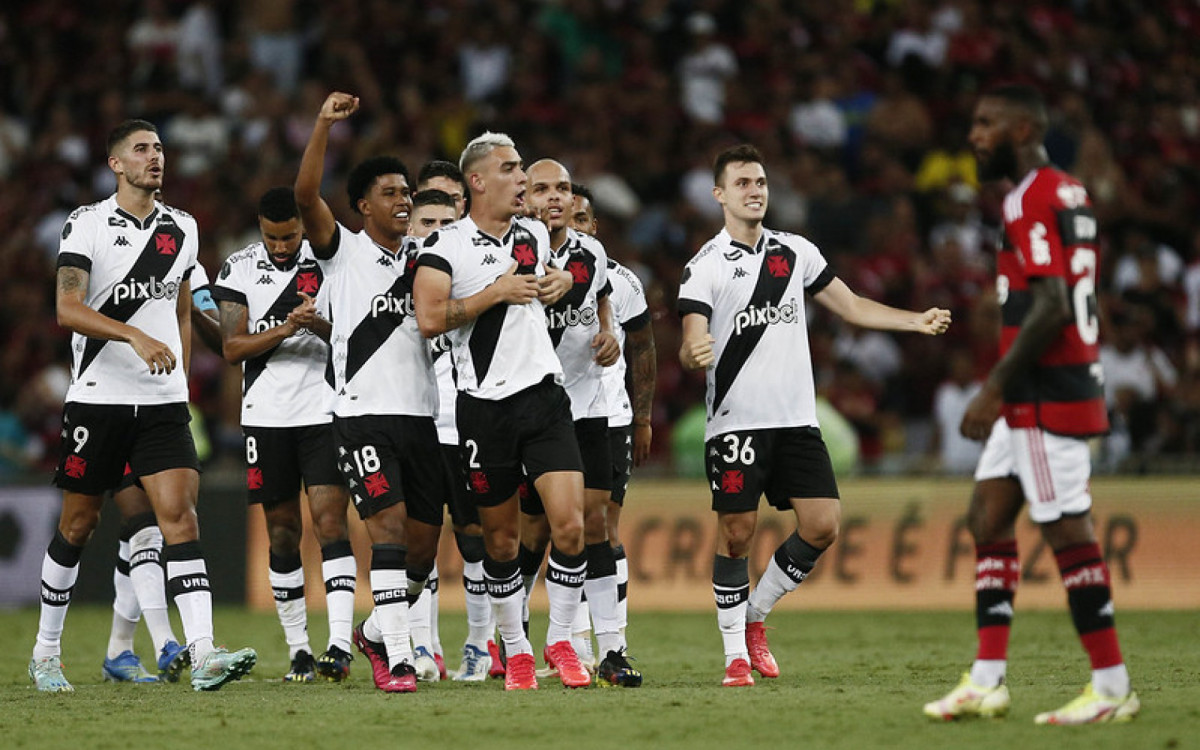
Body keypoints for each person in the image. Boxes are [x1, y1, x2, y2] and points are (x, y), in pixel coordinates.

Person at [677, 143, 950, 688]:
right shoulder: (703, 267)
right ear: (719, 195)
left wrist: (912, 321)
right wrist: (694, 353)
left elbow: (850, 306)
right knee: (736, 533)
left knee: (823, 525)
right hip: (736, 423)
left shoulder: (795, 252)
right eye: (743, 184)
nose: (755, 191)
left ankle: (754, 618)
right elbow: (690, 341)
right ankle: (734, 655)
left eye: (760, 182)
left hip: (796, 421)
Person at [923, 84, 1140, 725]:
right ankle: (988, 680)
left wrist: (993, 388)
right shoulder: (1069, 190)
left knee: (1067, 531)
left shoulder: (1031, 197)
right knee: (988, 516)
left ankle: (1111, 685)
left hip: (1045, 392)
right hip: (1036, 387)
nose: (974, 136)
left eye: (987, 124)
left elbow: (1049, 304)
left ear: (1023, 131)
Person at [32, 119, 256, 693]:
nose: (155, 157)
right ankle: (46, 652)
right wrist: (132, 336)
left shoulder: (184, 227)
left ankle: (204, 652)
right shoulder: (86, 225)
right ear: (115, 164)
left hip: (160, 403)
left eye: (159, 148)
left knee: (180, 519)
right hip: (98, 400)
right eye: (141, 149)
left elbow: (182, 308)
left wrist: (179, 376)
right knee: (78, 525)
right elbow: (68, 309)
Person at [412, 131, 591, 691]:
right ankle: (513, 649)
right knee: (502, 545)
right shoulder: (446, 247)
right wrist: (496, 292)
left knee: (571, 527)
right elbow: (429, 317)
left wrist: (563, 278)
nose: (522, 180)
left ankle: (560, 641)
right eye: (511, 169)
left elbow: (575, 265)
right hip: (484, 409)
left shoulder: (535, 234)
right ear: (478, 181)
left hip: (544, 399)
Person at [295, 92, 447, 693]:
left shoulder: (430, 258)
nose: (404, 200)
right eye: (390, 192)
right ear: (362, 206)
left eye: (407, 191)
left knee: (422, 550)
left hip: (422, 415)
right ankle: (401, 659)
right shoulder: (344, 252)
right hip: (362, 416)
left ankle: (377, 633)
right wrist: (323, 125)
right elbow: (307, 197)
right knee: (384, 530)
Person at [210, 187, 356, 684]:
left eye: (289, 235)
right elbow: (232, 348)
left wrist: (318, 325)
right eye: (272, 237)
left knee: (330, 522)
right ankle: (298, 650)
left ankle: (338, 645)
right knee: (282, 532)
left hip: (323, 411)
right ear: (259, 227)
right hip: (266, 416)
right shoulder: (238, 268)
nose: (280, 246)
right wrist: (287, 328)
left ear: (302, 225)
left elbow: (353, 335)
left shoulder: (332, 261)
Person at [516, 161, 643, 688]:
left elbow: (594, 294)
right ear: (524, 198)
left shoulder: (593, 254)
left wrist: (611, 335)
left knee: (590, 526)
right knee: (521, 536)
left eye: (562, 189)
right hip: (523, 407)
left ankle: (598, 646)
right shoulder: (510, 251)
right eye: (541, 188)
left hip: (587, 405)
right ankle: (507, 638)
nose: (554, 197)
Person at [101, 258, 220, 684]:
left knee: (153, 529)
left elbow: (206, 317)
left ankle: (120, 648)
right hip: (111, 402)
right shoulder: (100, 239)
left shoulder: (187, 256)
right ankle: (167, 643)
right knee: (142, 526)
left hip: (164, 407)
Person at [404, 186, 489, 681]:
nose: (434, 231)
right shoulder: (395, 277)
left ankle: (479, 645)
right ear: (410, 226)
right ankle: (424, 645)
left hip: (467, 423)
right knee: (418, 541)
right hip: (415, 424)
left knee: (477, 538)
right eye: (425, 222)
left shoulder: (470, 273)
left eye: (444, 223)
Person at [571, 183, 656, 661]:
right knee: (559, 530)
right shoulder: (537, 273)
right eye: (571, 218)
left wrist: (641, 417)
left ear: (595, 228)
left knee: (603, 526)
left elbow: (643, 346)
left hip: (610, 417)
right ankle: (572, 641)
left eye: (585, 220)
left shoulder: (621, 281)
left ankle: (608, 643)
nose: (578, 226)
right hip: (552, 415)